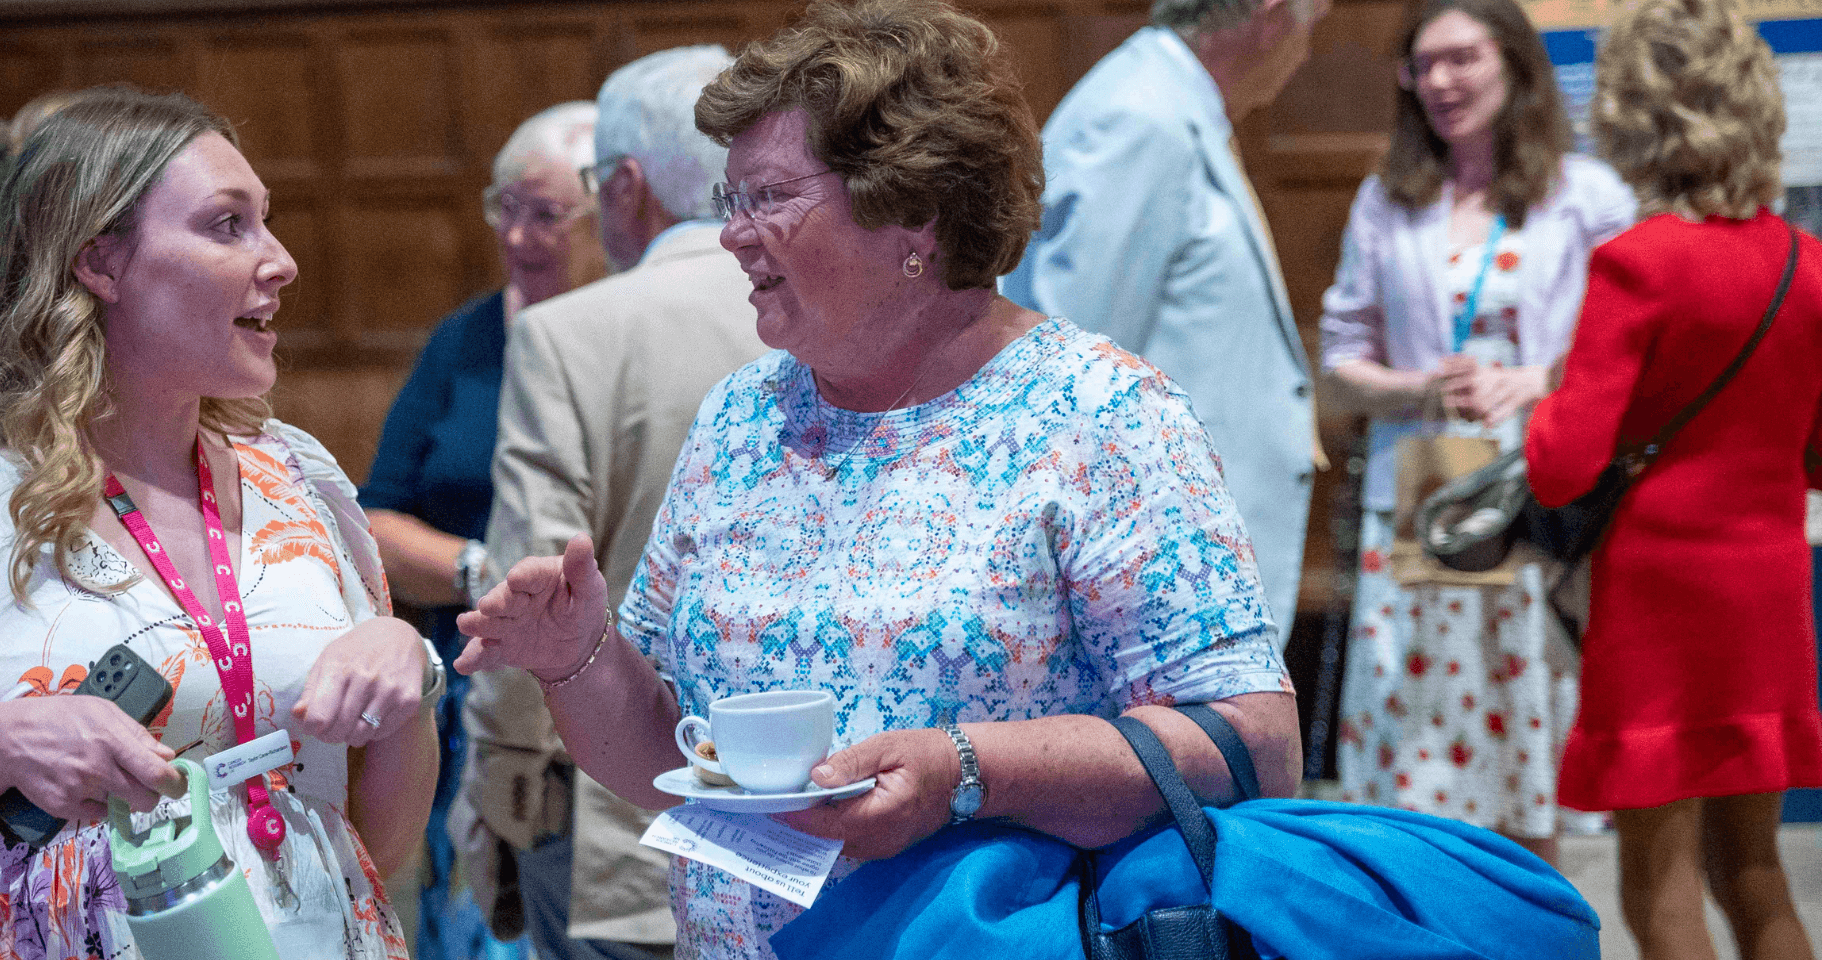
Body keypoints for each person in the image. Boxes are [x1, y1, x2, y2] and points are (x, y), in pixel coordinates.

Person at [455, 3, 1301, 956]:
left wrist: (966, 771)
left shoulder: (1102, 416)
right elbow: (669, 755)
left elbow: (1253, 747)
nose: (733, 235)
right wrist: (578, 655)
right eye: (730, 201)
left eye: (767, 197)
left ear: (914, 209)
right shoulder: (742, 419)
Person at [0, 89, 442, 960]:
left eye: (266, 222)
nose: (280, 262)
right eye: (227, 226)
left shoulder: (296, 477)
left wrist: (407, 674)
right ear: (100, 264)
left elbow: (371, 849)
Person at [1528, 0, 1822, 955]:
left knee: (1658, 875)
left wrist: (1541, 401)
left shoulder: (1637, 265)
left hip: (1659, 603)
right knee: (1755, 868)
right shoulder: (1806, 266)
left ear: (1631, 115)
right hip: (1769, 591)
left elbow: (1564, 464)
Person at [1318, 0, 1635, 865]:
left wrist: (1532, 379)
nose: (1443, 82)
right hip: (1420, 506)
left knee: (1526, 756)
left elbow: (1636, 349)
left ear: (1515, 62)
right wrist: (1421, 382)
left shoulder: (1589, 194)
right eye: (1425, 66)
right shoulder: (1387, 201)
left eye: (1462, 59)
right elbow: (1339, 362)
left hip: (1534, 507)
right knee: (1412, 773)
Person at [468, 44, 764, 960]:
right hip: (821, 791)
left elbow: (536, 594)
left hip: (625, 819)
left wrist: (500, 778)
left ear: (627, 186)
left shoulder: (569, 336)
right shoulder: (824, 311)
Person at [359, 100, 602, 960]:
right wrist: (480, 571)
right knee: (466, 923)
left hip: (596, 692)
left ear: (608, 219)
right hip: (467, 681)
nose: (519, 235)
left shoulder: (620, 338)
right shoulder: (464, 339)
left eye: (547, 215)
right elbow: (373, 518)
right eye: (507, 208)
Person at [1000, 0, 1329, 631]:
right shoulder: (1142, 117)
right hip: (1152, 567)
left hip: (1180, 553)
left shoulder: (1172, 104)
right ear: (1270, 12)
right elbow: (1071, 364)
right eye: (1311, 27)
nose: (1305, 53)